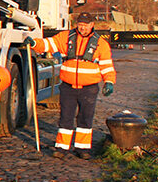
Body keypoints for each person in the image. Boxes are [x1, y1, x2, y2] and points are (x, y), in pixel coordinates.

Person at [26, 12, 116, 157]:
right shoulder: (66, 37)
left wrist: (109, 82)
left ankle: (82, 149)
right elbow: (49, 44)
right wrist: (35, 43)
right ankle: (61, 148)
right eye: (80, 25)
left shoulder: (101, 44)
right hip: (68, 86)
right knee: (65, 117)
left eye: (86, 25)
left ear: (92, 25)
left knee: (85, 118)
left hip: (89, 88)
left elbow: (107, 66)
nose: (82, 28)